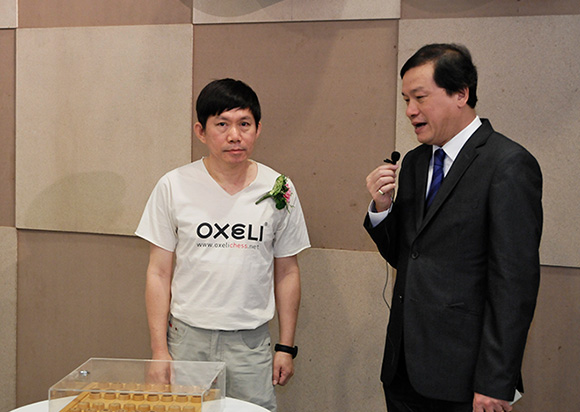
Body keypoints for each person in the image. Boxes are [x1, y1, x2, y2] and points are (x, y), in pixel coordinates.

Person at [364, 44, 542, 412]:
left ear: (461, 94)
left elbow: (514, 286)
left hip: (466, 378)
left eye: (420, 98)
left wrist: (495, 381)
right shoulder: (415, 163)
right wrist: (382, 209)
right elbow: (408, 256)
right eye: (406, 100)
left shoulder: (508, 164)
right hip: (403, 370)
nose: (410, 111)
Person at [136, 78, 310, 411]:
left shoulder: (279, 187)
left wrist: (285, 347)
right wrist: (159, 351)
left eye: (244, 124)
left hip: (251, 344)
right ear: (201, 131)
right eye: (222, 124)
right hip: (187, 340)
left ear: (258, 129)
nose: (234, 135)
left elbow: (287, 270)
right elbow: (158, 273)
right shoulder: (173, 186)